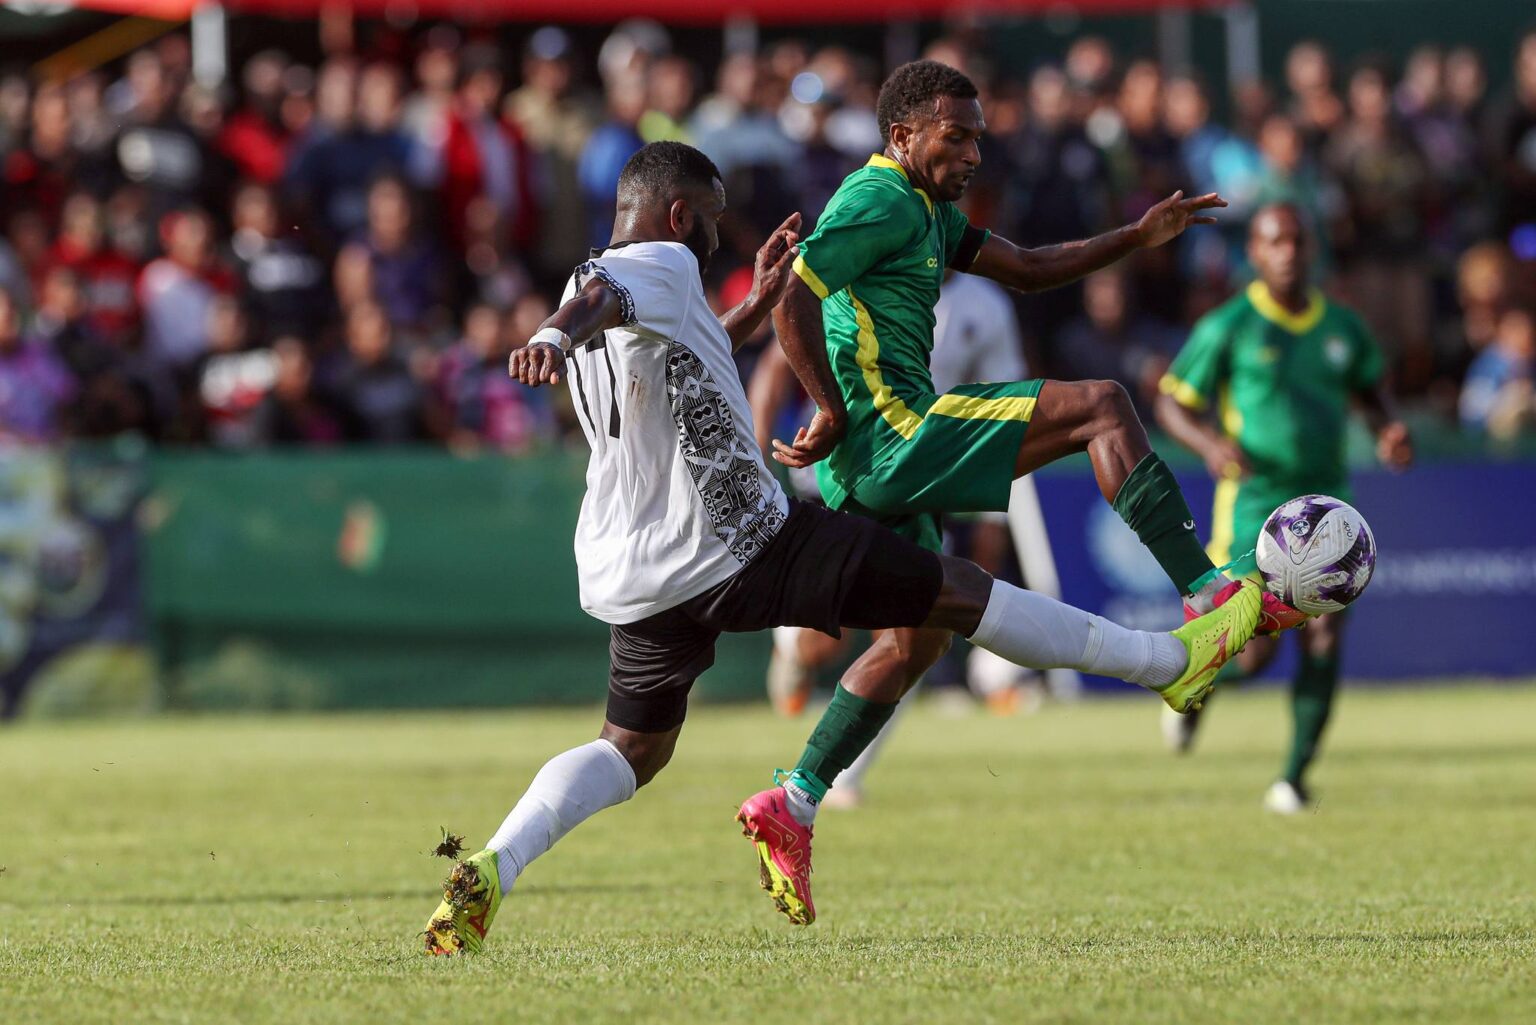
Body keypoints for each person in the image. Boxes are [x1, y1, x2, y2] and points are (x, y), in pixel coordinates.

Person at [417, 142, 1261, 954]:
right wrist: (555, 335)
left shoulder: (638, 285)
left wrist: (752, 302)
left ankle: (498, 860)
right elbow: (598, 294)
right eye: (711, 220)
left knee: (631, 749)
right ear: (677, 216)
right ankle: (1164, 662)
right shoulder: (654, 264)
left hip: (633, 568)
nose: (717, 237)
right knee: (955, 589)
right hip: (740, 541)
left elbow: (688, 341)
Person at [740, 60, 1303, 923]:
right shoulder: (880, 197)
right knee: (1103, 405)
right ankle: (1210, 594)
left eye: (978, 137)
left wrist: (1135, 235)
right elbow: (790, 293)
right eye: (953, 135)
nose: (970, 151)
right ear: (901, 135)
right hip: (896, 431)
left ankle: (795, 800)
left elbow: (1030, 268)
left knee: (916, 643)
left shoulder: (927, 209)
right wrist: (824, 404)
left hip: (881, 454)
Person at [1155, 203, 1413, 814]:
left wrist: (1389, 430)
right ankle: (1202, 688)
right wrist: (1210, 442)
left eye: (1298, 240)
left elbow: (1373, 394)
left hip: (1328, 511)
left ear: (1311, 249)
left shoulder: (1342, 329)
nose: (1289, 252)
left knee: (1325, 633)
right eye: (1276, 242)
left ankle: (1294, 778)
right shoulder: (1231, 326)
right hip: (1256, 509)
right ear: (1256, 254)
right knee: (1257, 645)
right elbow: (1172, 402)